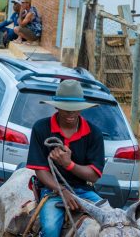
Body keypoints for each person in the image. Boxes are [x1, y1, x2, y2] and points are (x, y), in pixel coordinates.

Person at [25, 80, 105, 237]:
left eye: (75, 109)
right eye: (66, 109)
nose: (71, 113)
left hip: (85, 191)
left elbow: (94, 175)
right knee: (50, 229)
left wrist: (68, 164)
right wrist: (61, 190)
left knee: (112, 221)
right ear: (56, 106)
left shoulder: (94, 133)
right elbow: (40, 171)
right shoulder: (41, 128)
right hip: (52, 191)